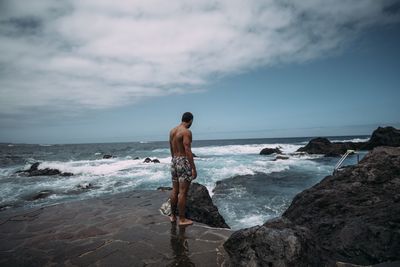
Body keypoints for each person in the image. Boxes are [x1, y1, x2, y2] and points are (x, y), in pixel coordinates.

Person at [169, 112, 197, 226]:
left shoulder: (172, 131)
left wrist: (174, 159)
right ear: (190, 120)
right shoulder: (186, 132)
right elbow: (188, 150)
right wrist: (193, 168)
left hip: (174, 160)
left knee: (175, 190)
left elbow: (171, 147)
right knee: (183, 192)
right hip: (182, 161)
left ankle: (172, 216)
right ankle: (182, 219)